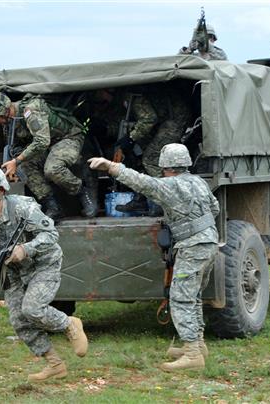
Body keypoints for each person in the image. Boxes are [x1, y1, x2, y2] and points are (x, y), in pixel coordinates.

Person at [88, 143, 219, 371]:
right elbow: (214, 208)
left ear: (165, 166)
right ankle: (197, 344)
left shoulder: (170, 185)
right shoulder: (198, 182)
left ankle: (192, 354)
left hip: (192, 246)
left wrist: (110, 166)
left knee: (180, 298)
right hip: (209, 243)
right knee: (194, 295)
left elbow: (142, 182)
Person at [0, 166, 88, 382]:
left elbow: (51, 234)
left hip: (42, 264)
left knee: (32, 308)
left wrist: (25, 249)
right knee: (19, 320)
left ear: (2, 190)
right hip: (14, 273)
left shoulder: (22, 208)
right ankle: (55, 364)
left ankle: (69, 324)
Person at [0, 92, 97, 220]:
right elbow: (16, 147)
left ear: (4, 110)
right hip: (48, 147)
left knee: (52, 169)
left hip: (67, 138)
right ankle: (53, 206)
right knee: (24, 166)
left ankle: (83, 192)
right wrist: (13, 165)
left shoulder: (31, 110)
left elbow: (42, 141)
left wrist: (16, 161)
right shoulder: (9, 123)